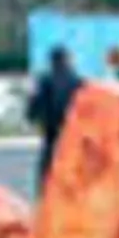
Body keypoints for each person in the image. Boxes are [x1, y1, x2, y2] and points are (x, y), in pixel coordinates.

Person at [27, 46, 81, 188]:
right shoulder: (77, 81)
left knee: (48, 167)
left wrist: (32, 117)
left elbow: (35, 102)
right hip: (71, 130)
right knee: (71, 165)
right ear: (67, 60)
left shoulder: (45, 79)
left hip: (51, 130)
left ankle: (45, 195)